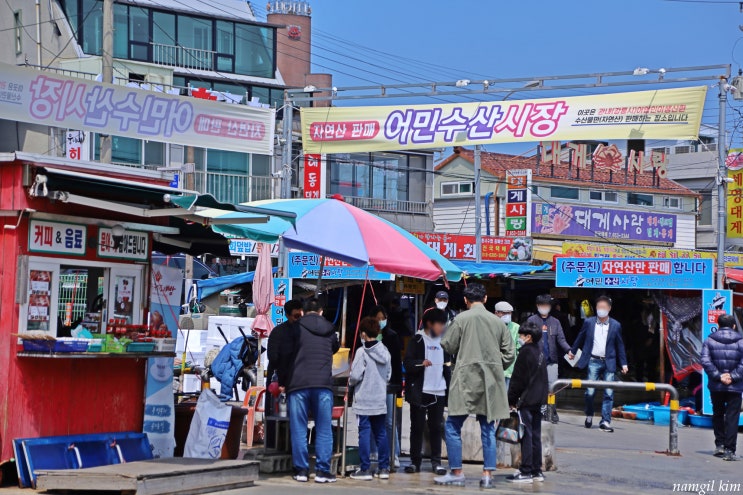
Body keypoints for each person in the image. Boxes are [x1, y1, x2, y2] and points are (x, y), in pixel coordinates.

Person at [436, 283, 515, 488]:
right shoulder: (498, 323)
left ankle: (457, 472)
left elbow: (448, 345)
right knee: (488, 428)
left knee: (453, 426)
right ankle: (487, 475)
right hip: (490, 382)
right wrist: (496, 366)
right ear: (486, 299)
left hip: (465, 379)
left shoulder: (460, 319)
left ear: (465, 300)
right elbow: (510, 354)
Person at [287, 298, 340, 483]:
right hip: (323, 384)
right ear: (321, 312)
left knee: (299, 428)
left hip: (298, 384)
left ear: (302, 312)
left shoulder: (295, 327)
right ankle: (322, 472)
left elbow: (288, 353)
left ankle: (301, 471)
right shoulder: (330, 328)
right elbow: (335, 348)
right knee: (324, 428)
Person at [568, 295, 628, 433]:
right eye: (599, 307)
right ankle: (589, 413)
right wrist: (573, 351)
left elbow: (620, 345)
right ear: (596, 308)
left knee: (608, 392)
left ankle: (605, 421)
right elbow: (580, 337)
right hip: (593, 360)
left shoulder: (616, 325)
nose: (601, 310)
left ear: (609, 309)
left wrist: (623, 363)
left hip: (609, 361)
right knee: (590, 391)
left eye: (604, 307)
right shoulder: (589, 322)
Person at [403, 308, 451, 475]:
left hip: (439, 391)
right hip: (420, 391)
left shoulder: (445, 342)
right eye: (440, 324)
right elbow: (408, 363)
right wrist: (420, 363)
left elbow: (448, 367)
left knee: (436, 427)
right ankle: (415, 461)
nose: (443, 327)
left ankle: (436, 462)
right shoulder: (417, 340)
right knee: (416, 427)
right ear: (430, 324)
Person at [349, 317, 392, 480]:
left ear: (364, 334)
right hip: (379, 399)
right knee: (381, 433)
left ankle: (365, 469)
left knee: (364, 433)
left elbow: (354, 376)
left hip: (364, 400)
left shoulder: (361, 352)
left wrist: (352, 382)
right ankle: (384, 468)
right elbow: (388, 375)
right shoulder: (385, 351)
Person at [506, 321, 548, 484]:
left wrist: (511, 400)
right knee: (536, 435)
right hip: (538, 399)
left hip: (526, 400)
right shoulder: (540, 351)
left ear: (528, 337)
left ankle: (526, 471)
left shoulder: (525, 353)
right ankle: (537, 470)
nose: (519, 338)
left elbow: (517, 380)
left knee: (526, 435)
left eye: (521, 335)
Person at [701, 313, 743, 461]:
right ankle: (729, 450)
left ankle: (719, 445)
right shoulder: (741, 341)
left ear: (718, 325)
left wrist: (719, 376)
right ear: (733, 326)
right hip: (736, 386)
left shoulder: (709, 340)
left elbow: (705, 361)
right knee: (732, 417)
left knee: (718, 413)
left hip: (716, 385)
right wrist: (733, 377)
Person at [525, 294, 570, 423]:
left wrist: (569, 350)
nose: (544, 308)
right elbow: (525, 339)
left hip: (552, 361)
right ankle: (538, 410)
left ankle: (552, 411)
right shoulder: (531, 321)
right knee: (536, 386)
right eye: (542, 305)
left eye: (547, 306)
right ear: (538, 306)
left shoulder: (555, 322)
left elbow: (561, 339)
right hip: (535, 360)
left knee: (552, 387)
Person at [265, 299, 303, 446]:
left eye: (301, 315)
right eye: (296, 316)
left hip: (297, 381)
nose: (299, 319)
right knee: (275, 415)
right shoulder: (278, 332)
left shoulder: (304, 332)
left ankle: (290, 447)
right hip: (278, 381)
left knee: (295, 418)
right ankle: (274, 446)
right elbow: (273, 357)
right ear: (287, 315)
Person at [369, 305, 403, 469]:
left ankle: (394, 453)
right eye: (378, 318)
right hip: (371, 385)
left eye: (383, 318)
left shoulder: (392, 336)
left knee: (389, 421)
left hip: (389, 385)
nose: (381, 321)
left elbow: (396, 362)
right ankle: (373, 452)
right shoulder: (368, 337)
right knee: (372, 420)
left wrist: (398, 387)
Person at [495, 301, 520, 389]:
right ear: (496, 313)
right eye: (504, 313)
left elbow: (519, 348)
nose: (507, 315)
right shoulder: (491, 326)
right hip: (494, 368)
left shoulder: (516, 327)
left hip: (511, 368)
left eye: (509, 313)